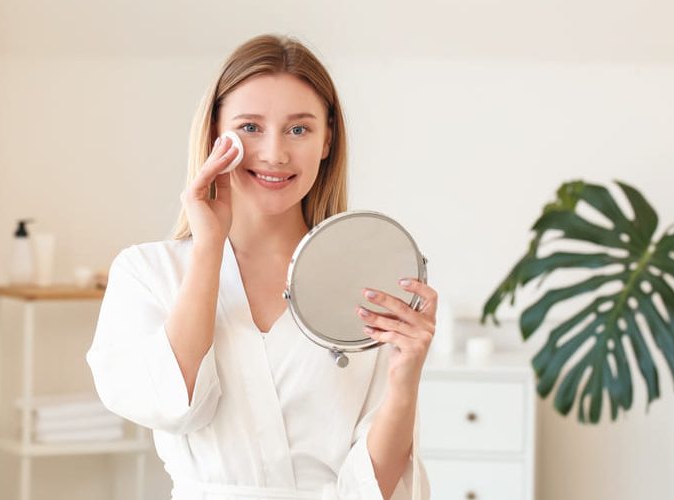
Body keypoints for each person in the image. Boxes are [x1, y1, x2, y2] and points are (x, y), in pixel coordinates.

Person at [86, 34, 436, 500]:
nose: (275, 153)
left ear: (327, 139)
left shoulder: (369, 285)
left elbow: (375, 484)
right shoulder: (148, 273)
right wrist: (208, 247)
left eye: (299, 129)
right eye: (250, 127)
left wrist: (406, 375)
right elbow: (172, 405)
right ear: (215, 133)